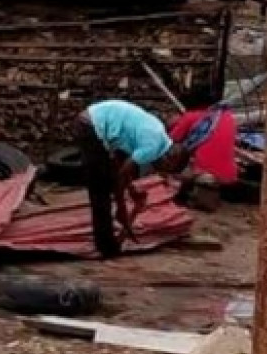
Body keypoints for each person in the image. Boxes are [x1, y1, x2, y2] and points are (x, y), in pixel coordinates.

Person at [75, 99, 192, 259]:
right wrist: (122, 209)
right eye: (166, 170)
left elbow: (120, 163)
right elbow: (122, 173)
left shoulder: (159, 137)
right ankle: (107, 248)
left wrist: (130, 189)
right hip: (91, 125)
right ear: (169, 159)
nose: (160, 172)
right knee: (100, 189)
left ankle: (107, 240)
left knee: (107, 181)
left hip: (96, 122)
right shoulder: (153, 146)